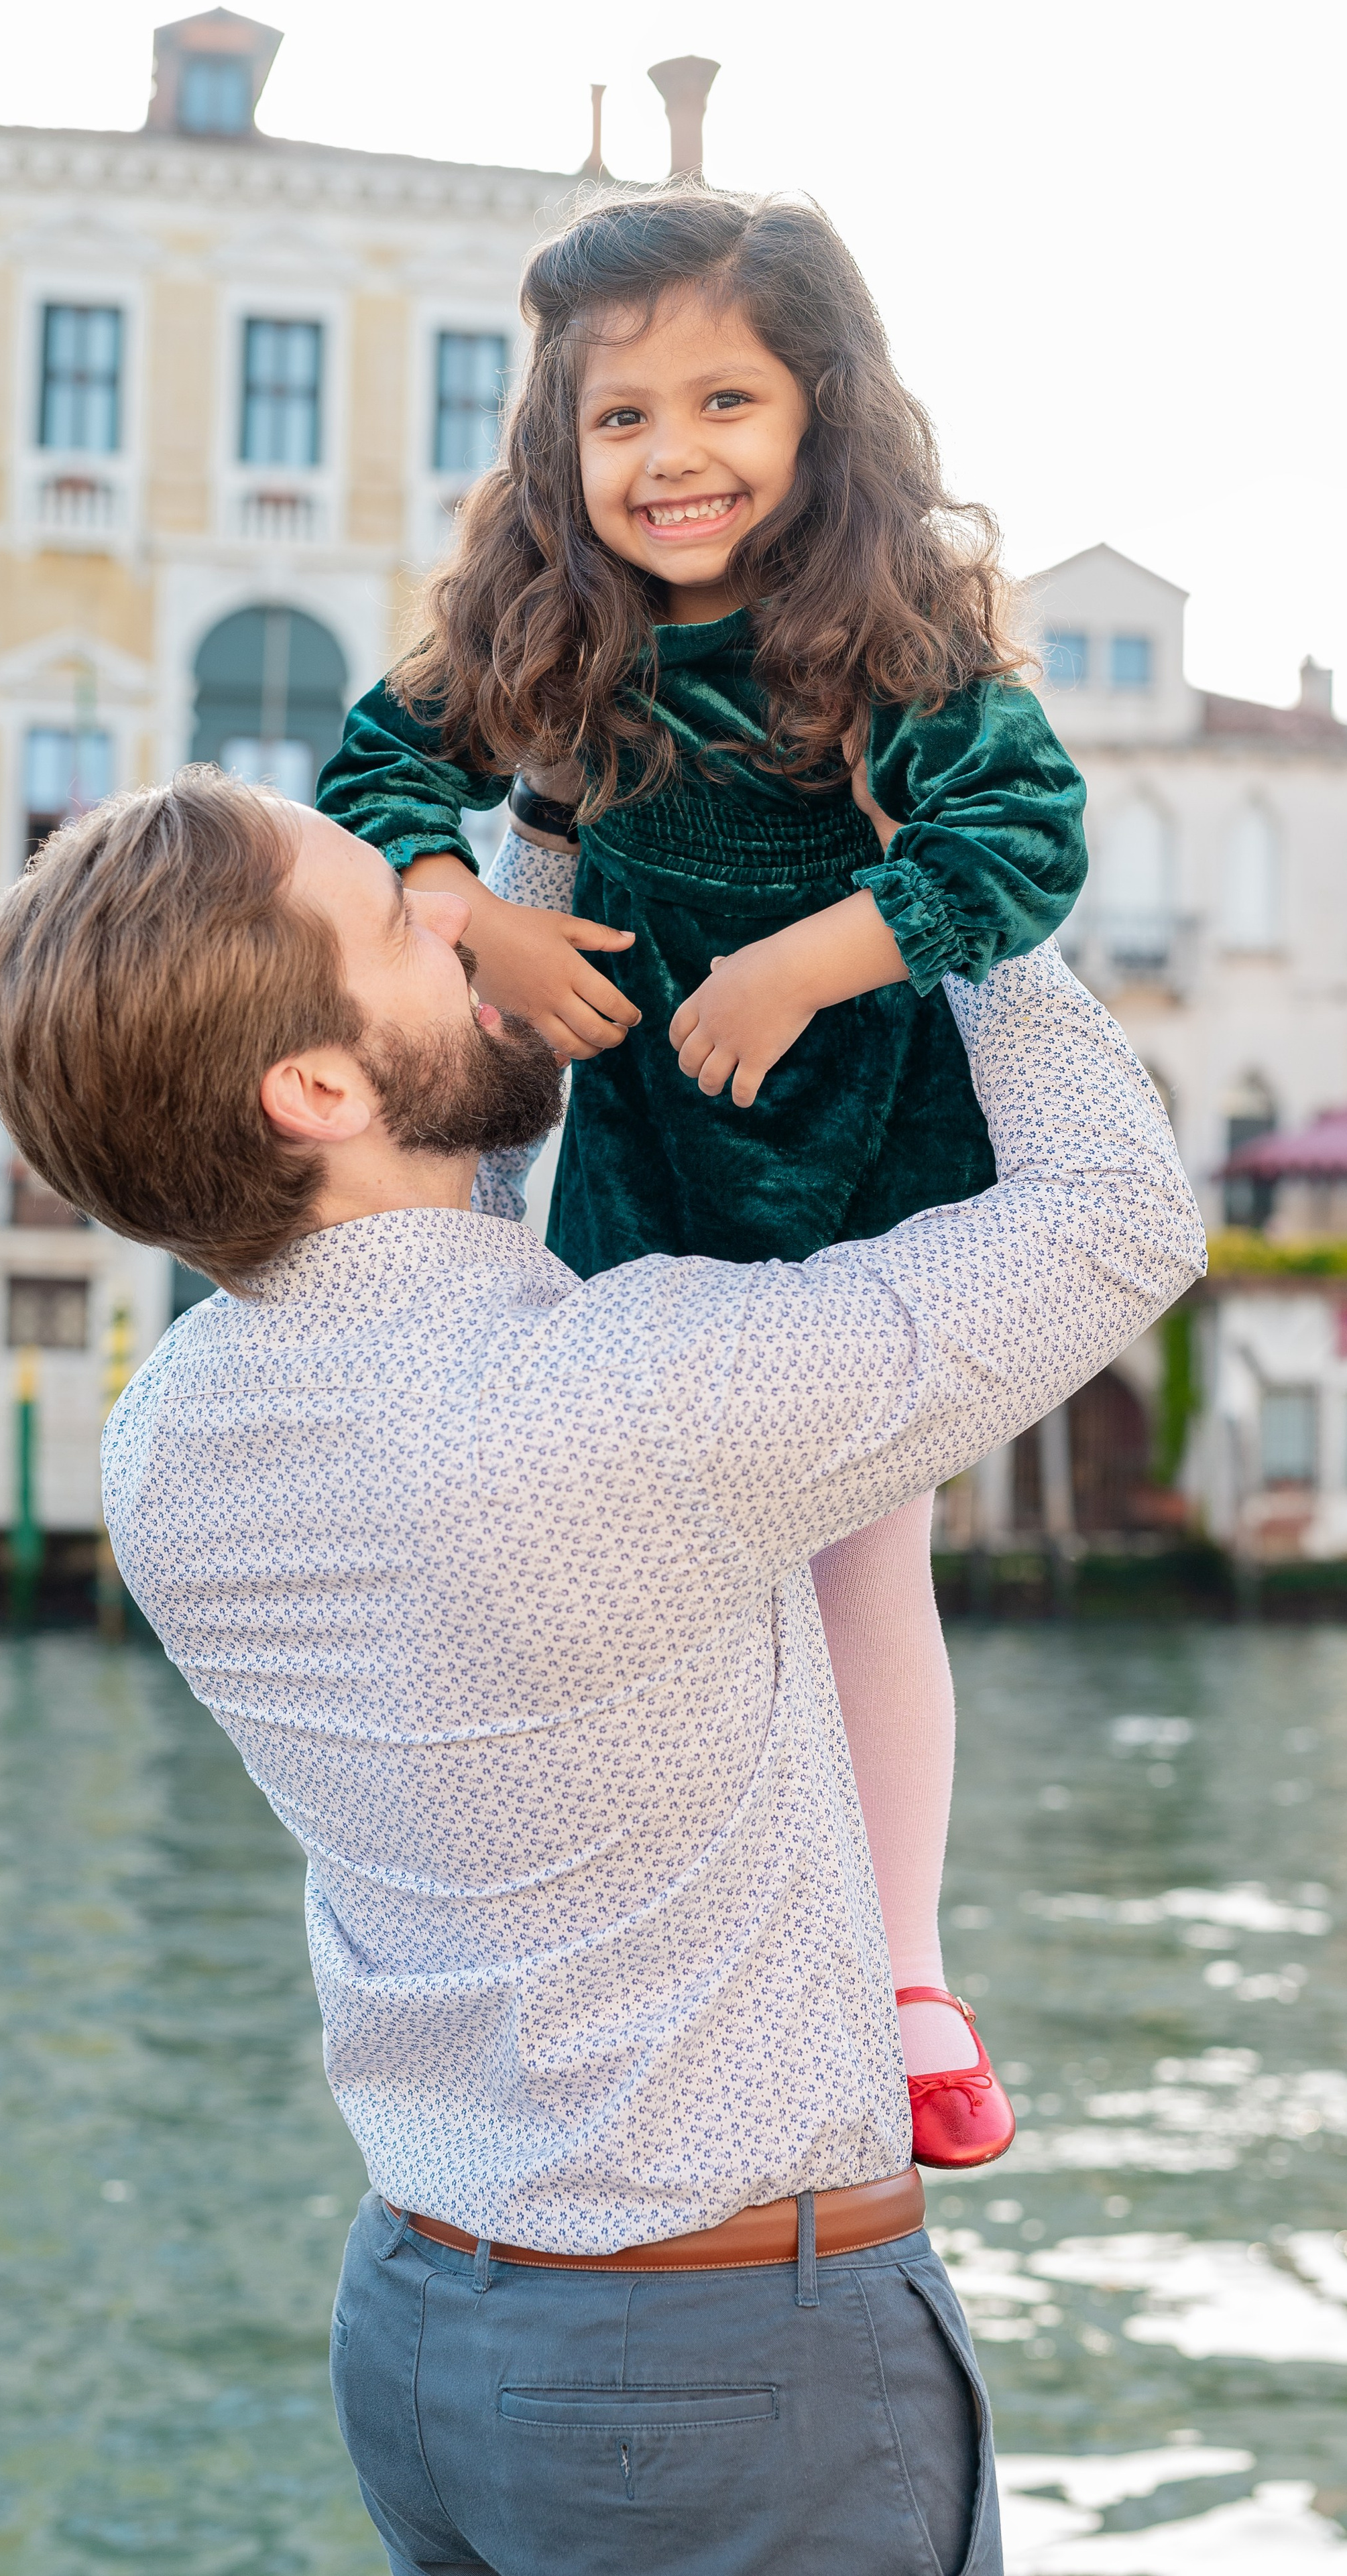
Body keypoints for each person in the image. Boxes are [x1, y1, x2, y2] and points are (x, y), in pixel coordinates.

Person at [0, 768, 1204, 2576]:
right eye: (402, 918)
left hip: (425, 2332)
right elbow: (1117, 1221)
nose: (455, 910)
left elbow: (442, 1223)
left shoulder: (169, 1441)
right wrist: (961, 893)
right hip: (717, 2382)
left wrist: (557, 811)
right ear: (312, 1089)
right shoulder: (624, 1402)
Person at [314, 185, 1091, 2154]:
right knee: (657, 1562)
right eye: (624, 417)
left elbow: (1025, 845)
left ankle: (907, 1976)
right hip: (651, 1149)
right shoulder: (548, 624)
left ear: (820, 410)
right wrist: (467, 915)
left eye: (726, 402)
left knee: (869, 1556)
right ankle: (689, 1928)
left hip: (872, 1151)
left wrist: (813, 955)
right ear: (560, 447)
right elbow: (376, 768)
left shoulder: (891, 628)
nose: (675, 457)